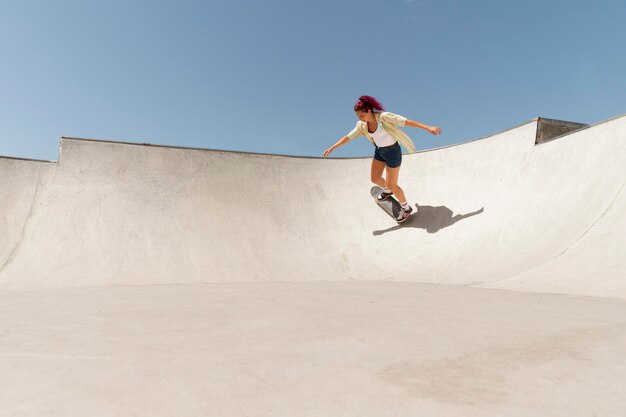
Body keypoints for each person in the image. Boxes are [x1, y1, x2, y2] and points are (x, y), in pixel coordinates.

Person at [323, 95, 441, 222]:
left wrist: (428, 127)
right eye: (358, 117)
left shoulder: (384, 117)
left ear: (369, 111)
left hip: (393, 152)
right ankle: (387, 191)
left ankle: (406, 208)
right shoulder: (361, 125)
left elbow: (406, 122)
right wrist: (332, 148)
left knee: (392, 184)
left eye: (362, 116)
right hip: (379, 151)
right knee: (375, 179)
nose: (360, 119)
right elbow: (348, 137)